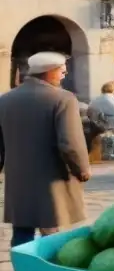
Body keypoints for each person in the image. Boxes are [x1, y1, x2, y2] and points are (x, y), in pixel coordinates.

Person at [0, 53, 91, 247]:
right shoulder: (63, 99)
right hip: (51, 177)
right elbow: (70, 142)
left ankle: (23, 270)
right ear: (49, 72)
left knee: (22, 230)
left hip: (18, 178)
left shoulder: (5, 100)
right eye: (62, 71)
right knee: (52, 232)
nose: (64, 75)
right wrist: (81, 169)